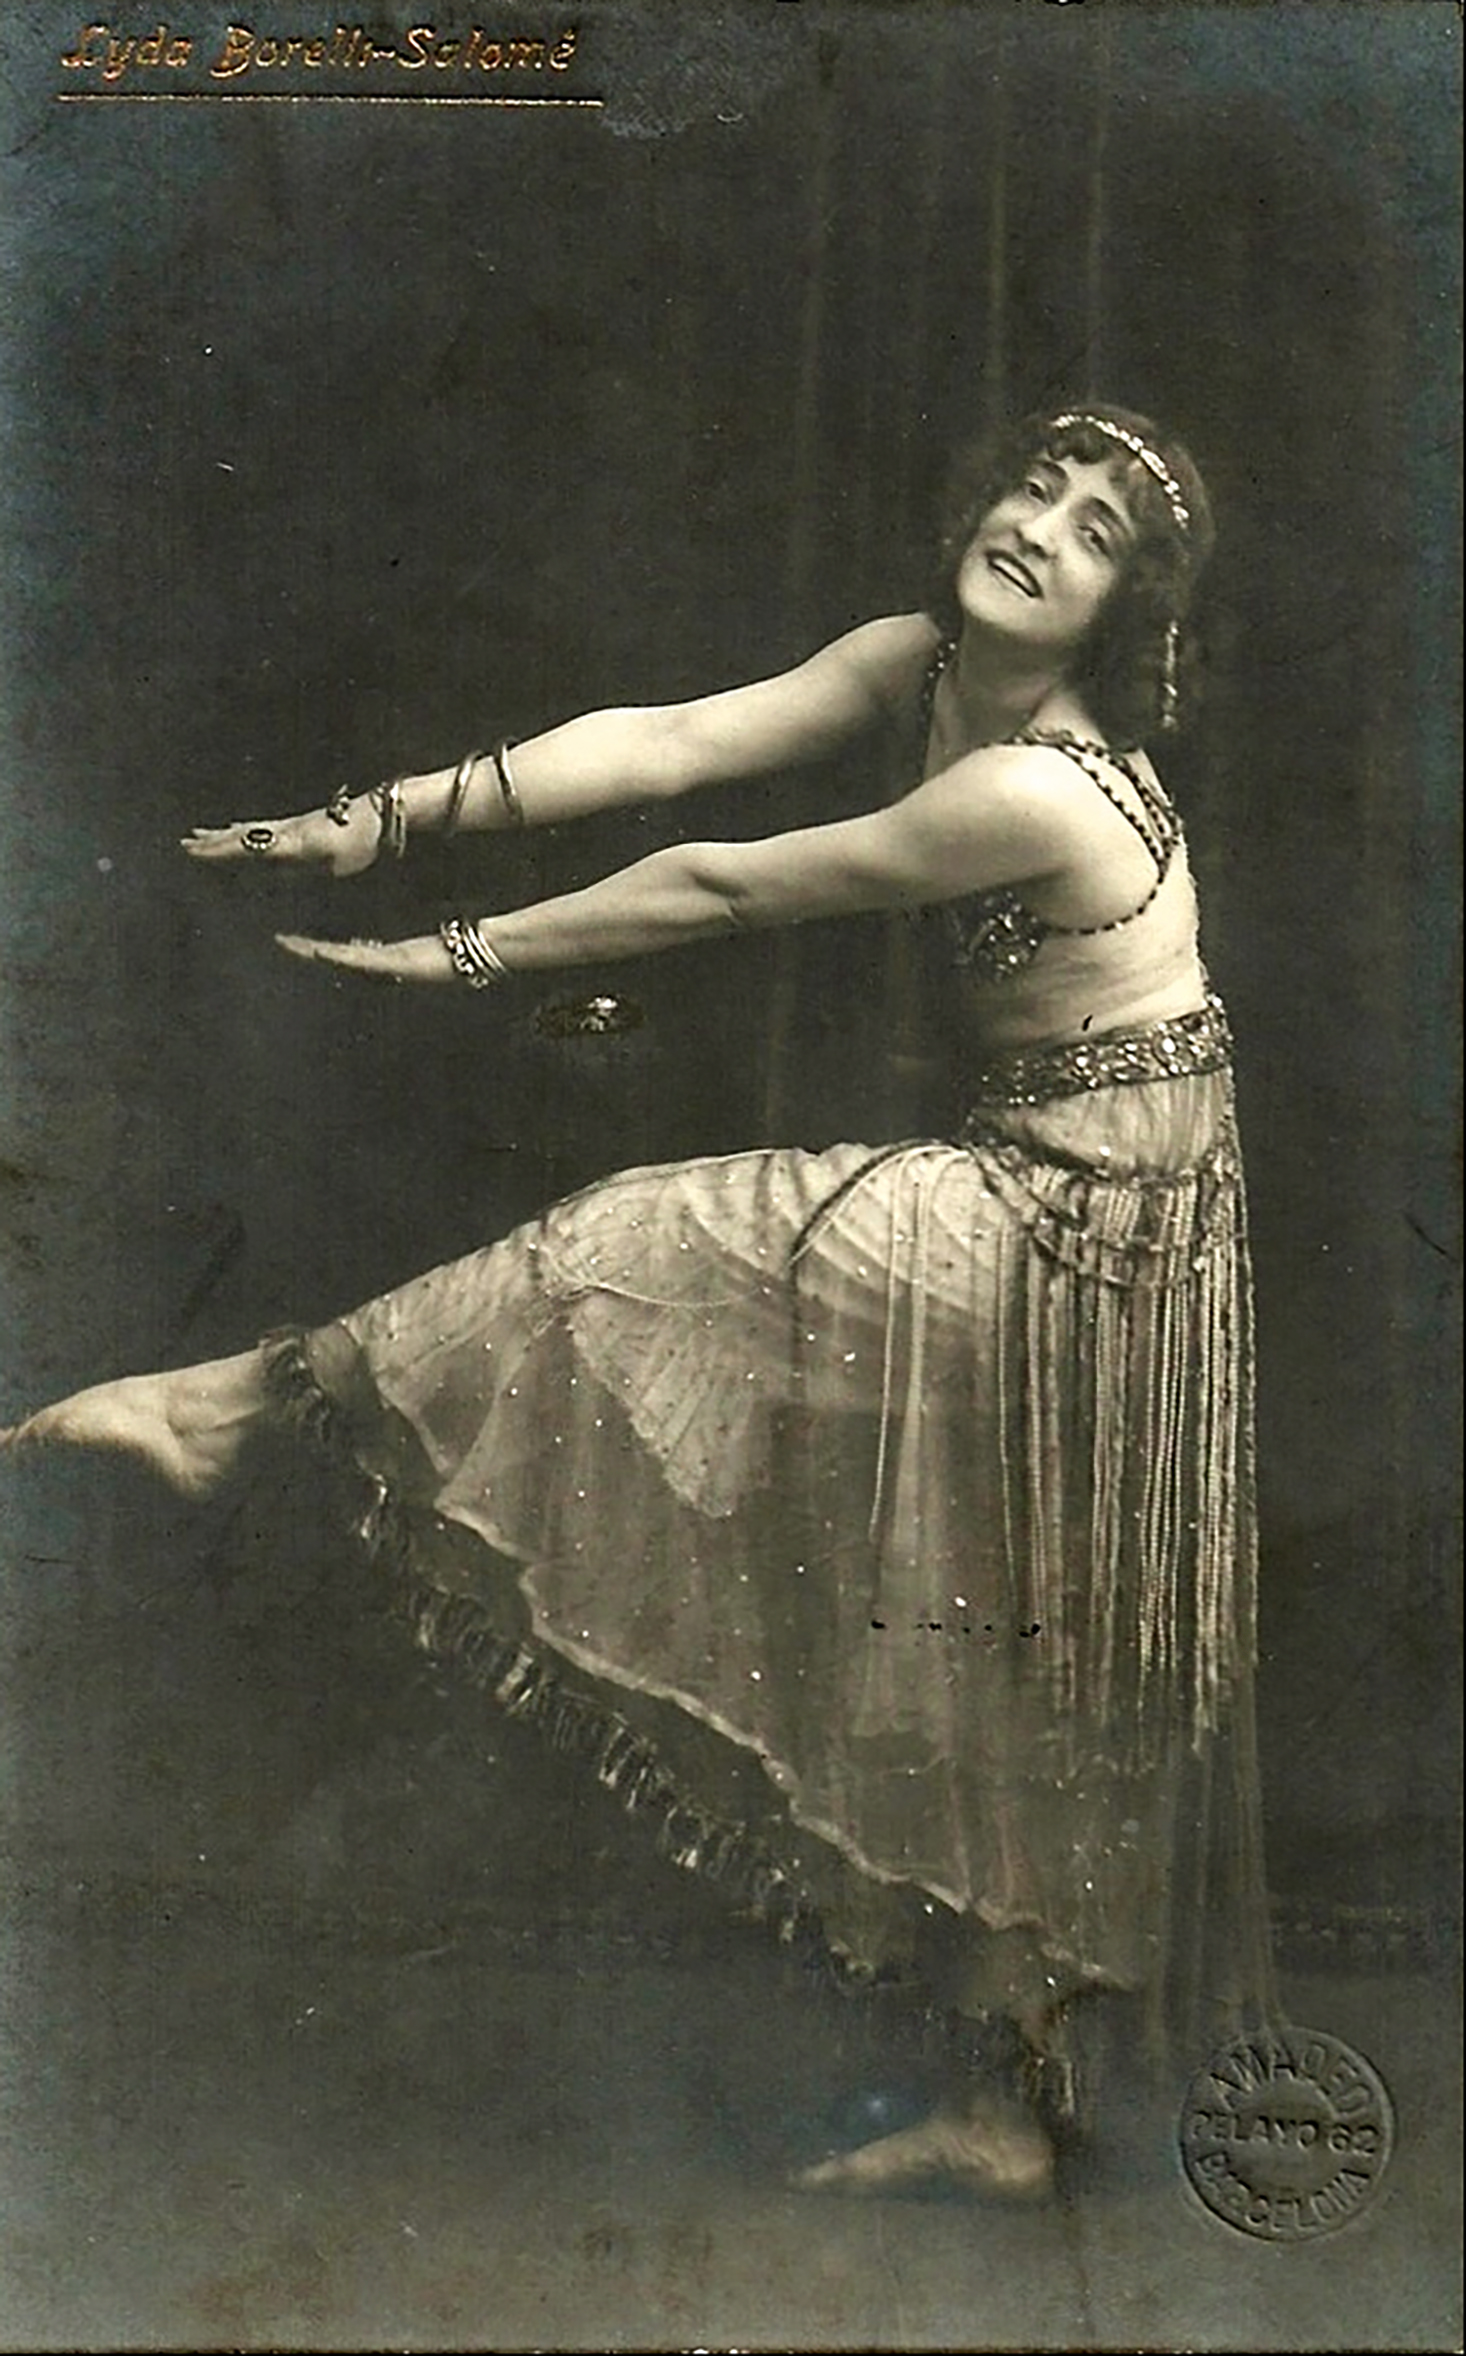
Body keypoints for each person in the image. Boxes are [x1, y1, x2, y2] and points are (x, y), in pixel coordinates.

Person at [3, 406, 1275, 2199]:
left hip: (1101, 1220)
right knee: (973, 1624)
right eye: (1031, 487)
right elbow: (667, 744)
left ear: (1123, 609)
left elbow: (720, 884)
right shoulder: (913, 660)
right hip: (1058, 1176)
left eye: (1092, 535)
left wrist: (448, 951)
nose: (1036, 530)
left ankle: (221, 1410)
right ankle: (1002, 2107)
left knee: (644, 1261)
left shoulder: (1037, 786)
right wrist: (379, 824)